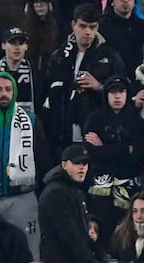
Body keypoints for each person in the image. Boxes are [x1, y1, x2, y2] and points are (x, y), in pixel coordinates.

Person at [0, 71, 51, 259]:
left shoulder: (31, 121)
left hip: (23, 197)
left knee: (29, 253)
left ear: (14, 92)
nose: (4, 93)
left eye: (8, 89)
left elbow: (43, 159)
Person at [45, 3, 126, 152]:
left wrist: (100, 87)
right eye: (83, 26)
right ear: (73, 25)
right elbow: (47, 92)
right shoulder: (60, 56)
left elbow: (123, 90)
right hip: (62, 128)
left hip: (96, 128)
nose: (88, 32)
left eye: (92, 27)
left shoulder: (110, 56)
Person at [83, 74, 144, 249]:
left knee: (125, 224)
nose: (117, 96)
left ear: (127, 94)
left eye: (121, 91)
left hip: (127, 183)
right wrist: (124, 148)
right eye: (112, 92)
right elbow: (91, 152)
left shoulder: (137, 122)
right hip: (99, 184)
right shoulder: (94, 119)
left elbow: (138, 156)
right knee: (98, 221)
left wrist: (105, 147)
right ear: (106, 95)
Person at [97, 0, 144, 84]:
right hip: (112, 81)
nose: (126, 1)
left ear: (134, 3)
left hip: (140, 80)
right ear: (112, 2)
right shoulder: (101, 26)